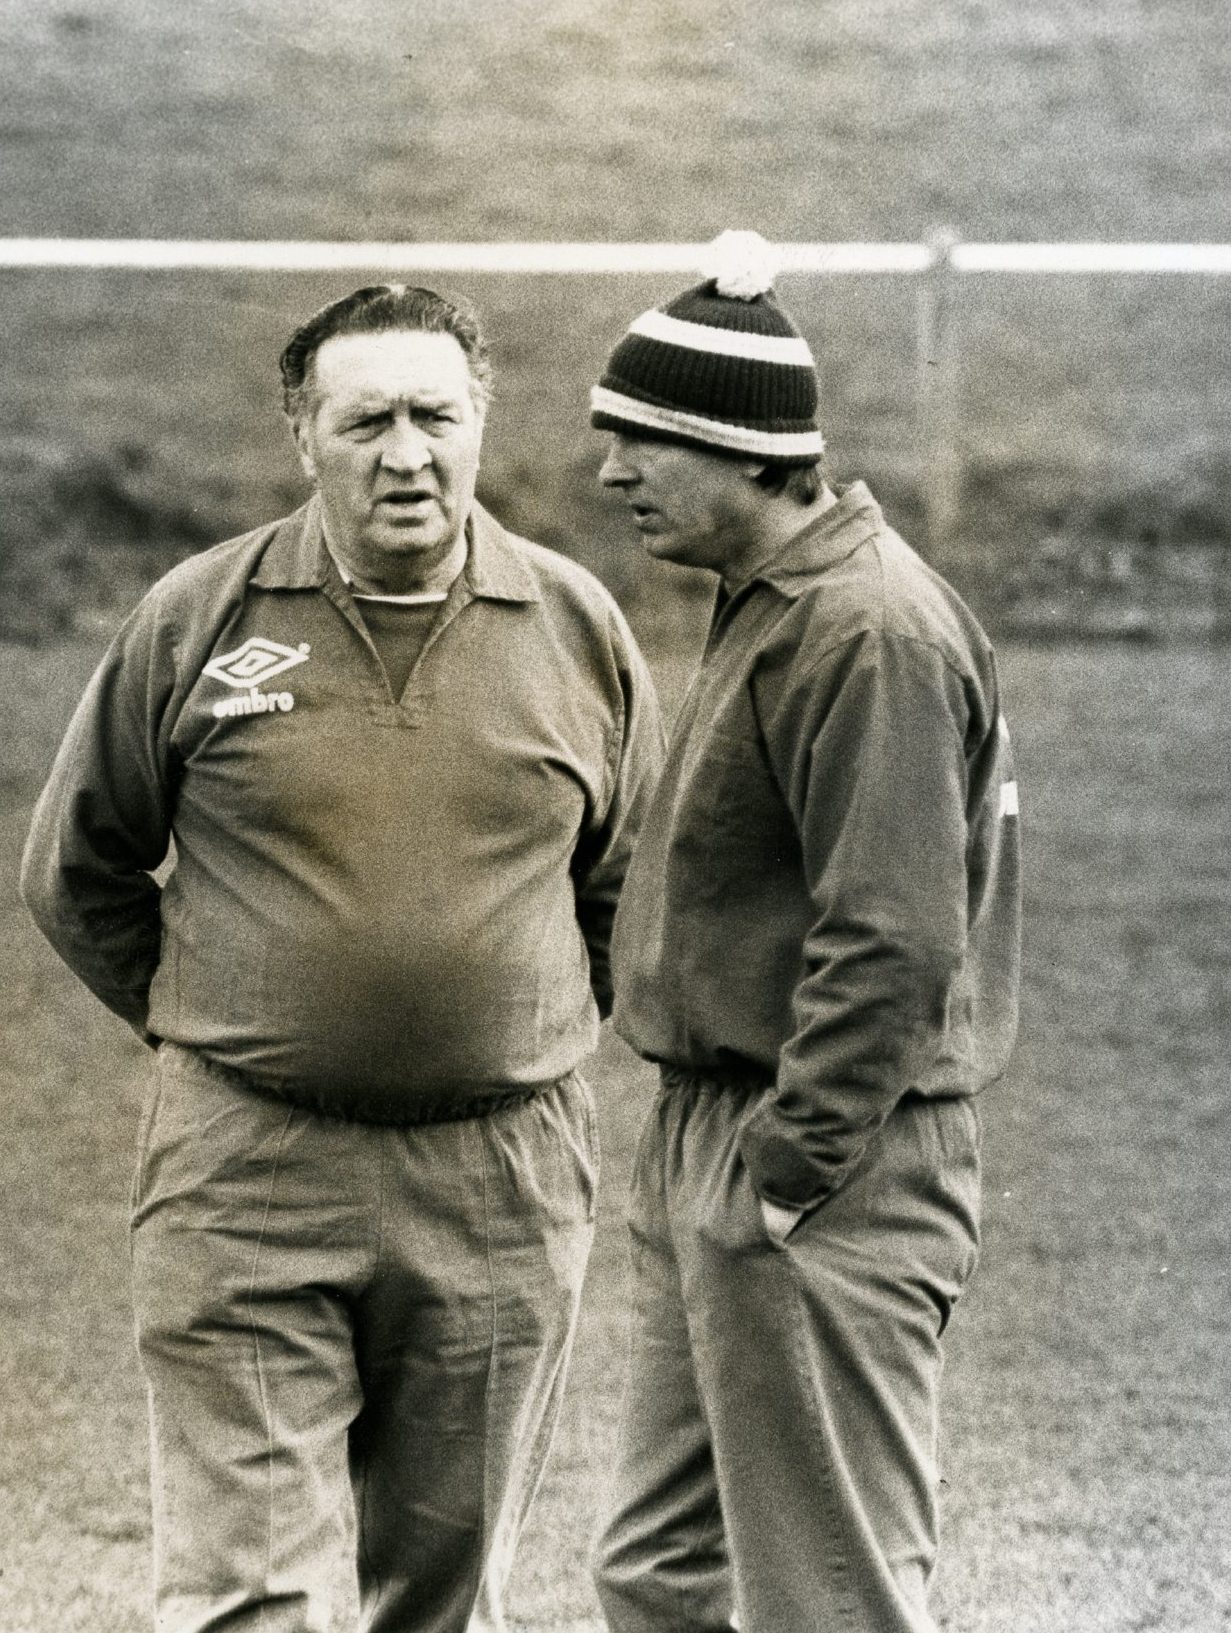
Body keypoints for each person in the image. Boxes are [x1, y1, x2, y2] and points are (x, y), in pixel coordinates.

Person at [21, 282, 664, 1633]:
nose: (406, 454)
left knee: (444, 1594)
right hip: (245, 1175)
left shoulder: (580, 630)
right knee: (252, 1593)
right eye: (366, 419)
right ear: (301, 430)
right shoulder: (201, 619)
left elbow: (630, 891)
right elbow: (77, 868)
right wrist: (224, 1021)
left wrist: (509, 1026)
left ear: (484, 420)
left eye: (436, 415)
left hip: (500, 1185)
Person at [586, 231, 1022, 1633]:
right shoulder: (776, 602)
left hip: (826, 1151)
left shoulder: (867, 631)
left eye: (640, 441)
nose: (611, 476)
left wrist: (790, 1170)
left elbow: (892, 938)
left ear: (735, 449)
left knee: (828, 1598)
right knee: (659, 1574)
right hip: (719, 1130)